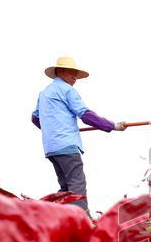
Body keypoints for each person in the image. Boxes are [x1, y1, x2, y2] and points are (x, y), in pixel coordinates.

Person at [32, 56, 127, 214]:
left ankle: (60, 218)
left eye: (76, 74)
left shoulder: (44, 93)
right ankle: (83, 219)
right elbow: (85, 115)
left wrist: (53, 128)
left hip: (51, 147)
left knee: (65, 188)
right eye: (71, 73)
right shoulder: (68, 90)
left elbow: (35, 118)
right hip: (66, 145)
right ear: (60, 71)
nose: (75, 77)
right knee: (77, 185)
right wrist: (113, 126)